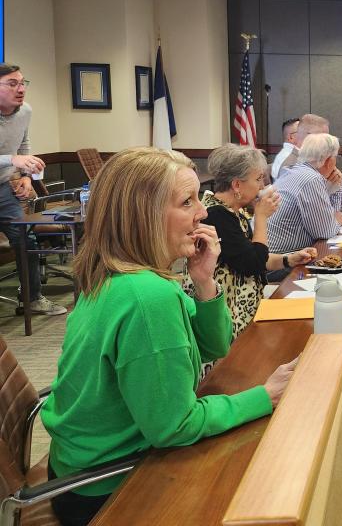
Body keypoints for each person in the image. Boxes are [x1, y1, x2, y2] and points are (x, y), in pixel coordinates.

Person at [40, 147, 296, 526]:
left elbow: (216, 346)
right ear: (144, 216)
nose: (203, 212)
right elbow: (175, 427)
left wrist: (204, 280)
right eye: (187, 201)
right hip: (107, 486)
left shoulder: (122, 274)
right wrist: (265, 395)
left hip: (78, 466)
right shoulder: (148, 297)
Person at [190, 144, 317, 338]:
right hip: (228, 317)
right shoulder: (216, 216)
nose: (262, 186)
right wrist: (262, 218)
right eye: (258, 179)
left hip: (246, 307)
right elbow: (253, 263)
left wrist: (289, 259)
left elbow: (252, 254)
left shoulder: (232, 211)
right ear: (237, 185)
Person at [0, 63, 66, 315]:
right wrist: (11, 160)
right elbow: (14, 156)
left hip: (5, 190)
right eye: (12, 83)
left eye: (22, 83)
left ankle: (33, 299)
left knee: (24, 239)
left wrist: (26, 176)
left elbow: (24, 144)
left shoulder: (25, 111)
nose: (20, 89)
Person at [268, 133, 342, 255]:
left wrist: (332, 187)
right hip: (283, 261)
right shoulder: (311, 179)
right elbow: (327, 232)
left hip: (269, 256)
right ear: (329, 161)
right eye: (337, 157)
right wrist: (336, 190)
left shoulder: (292, 170)